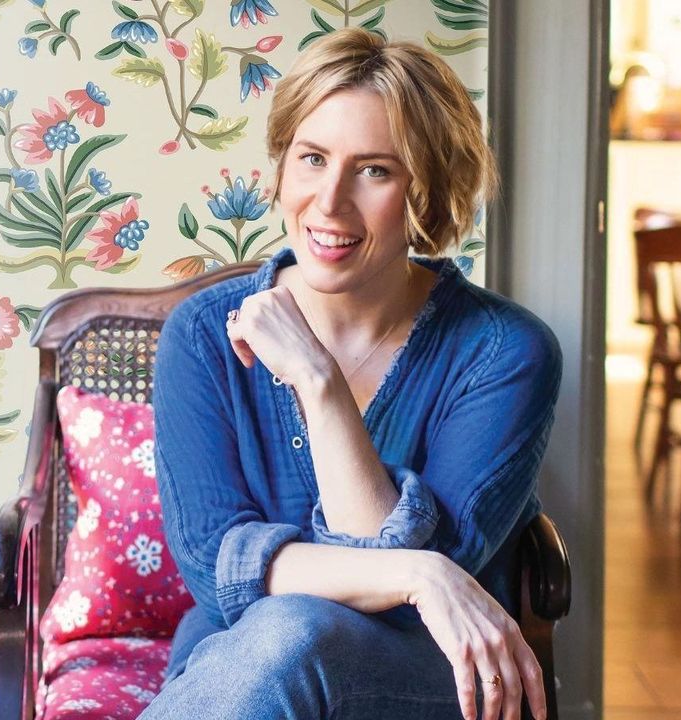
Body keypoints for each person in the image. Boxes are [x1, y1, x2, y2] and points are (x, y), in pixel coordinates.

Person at [142, 28, 561, 720]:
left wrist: (317, 380)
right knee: (276, 636)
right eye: (312, 159)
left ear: (424, 191)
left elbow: (402, 617)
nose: (329, 203)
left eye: (374, 170)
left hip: (424, 679)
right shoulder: (202, 335)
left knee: (292, 627)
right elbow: (217, 575)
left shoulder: (506, 352)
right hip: (238, 668)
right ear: (280, 169)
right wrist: (418, 570)